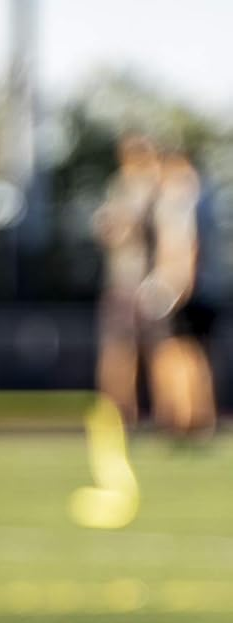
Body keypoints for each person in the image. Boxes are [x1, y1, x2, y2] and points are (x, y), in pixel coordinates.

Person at [144, 150, 219, 438]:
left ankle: (188, 417)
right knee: (192, 352)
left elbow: (185, 246)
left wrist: (177, 287)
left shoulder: (181, 200)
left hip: (183, 287)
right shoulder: (205, 198)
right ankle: (194, 416)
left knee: (181, 352)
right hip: (197, 285)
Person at [92, 134, 160, 425]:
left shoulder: (154, 189)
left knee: (155, 351)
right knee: (119, 350)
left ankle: (152, 413)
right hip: (125, 284)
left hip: (151, 285)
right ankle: (117, 413)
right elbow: (109, 231)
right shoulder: (124, 188)